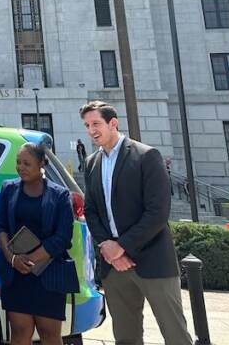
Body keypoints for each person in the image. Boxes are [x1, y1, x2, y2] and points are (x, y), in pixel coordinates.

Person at [79, 100, 192, 345]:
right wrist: (108, 248)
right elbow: (91, 210)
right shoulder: (91, 163)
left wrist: (123, 246)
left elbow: (158, 212)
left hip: (152, 261)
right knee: (125, 337)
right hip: (114, 266)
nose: (91, 130)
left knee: (175, 334)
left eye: (96, 123)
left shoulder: (146, 156)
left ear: (113, 123)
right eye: (87, 125)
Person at [0, 142, 76, 345]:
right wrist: (12, 259)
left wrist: (31, 259)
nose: (20, 167)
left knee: (49, 334)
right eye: (18, 162)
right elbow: (0, 226)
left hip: (48, 274)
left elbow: (63, 236)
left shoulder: (60, 195)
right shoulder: (8, 189)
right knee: (20, 333)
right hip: (16, 275)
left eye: (27, 163)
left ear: (41, 164)